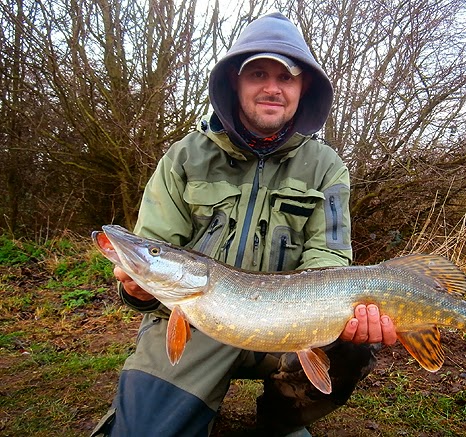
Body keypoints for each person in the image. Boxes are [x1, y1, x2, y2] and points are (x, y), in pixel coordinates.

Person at [91, 12, 396, 437]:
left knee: (353, 345)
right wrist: (137, 287)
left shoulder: (326, 167)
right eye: (258, 74)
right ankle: (187, 400)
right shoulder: (184, 158)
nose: (272, 88)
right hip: (194, 323)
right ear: (234, 83)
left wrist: (342, 321)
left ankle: (280, 421)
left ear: (303, 89)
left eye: (286, 77)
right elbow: (155, 247)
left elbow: (327, 262)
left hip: (291, 330)